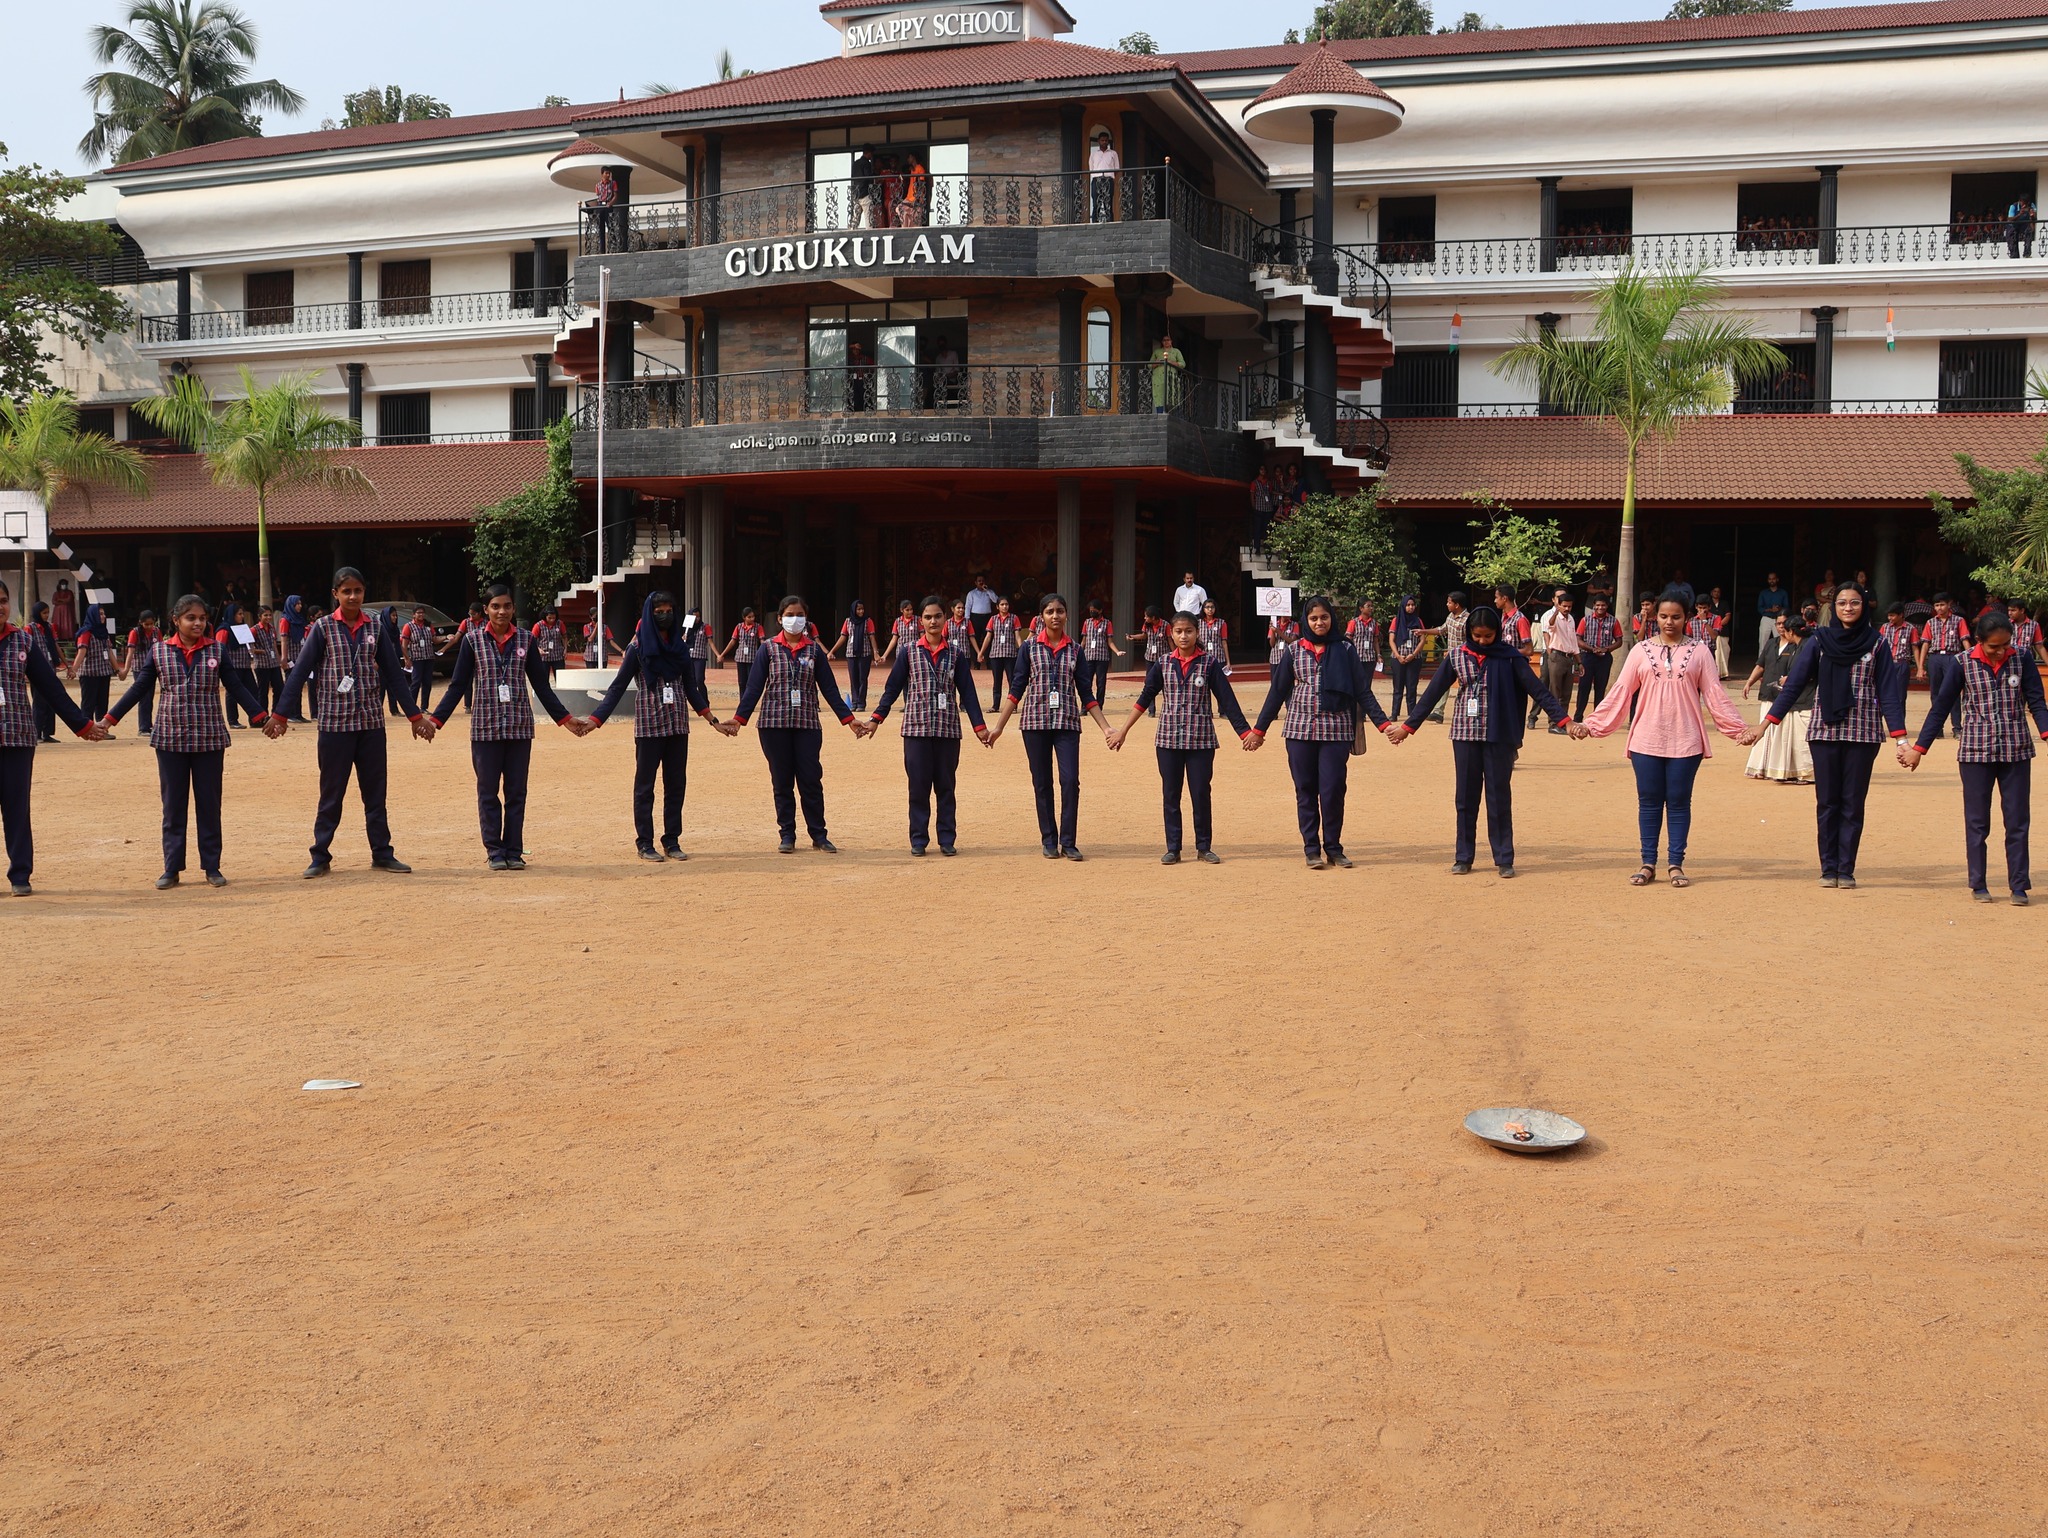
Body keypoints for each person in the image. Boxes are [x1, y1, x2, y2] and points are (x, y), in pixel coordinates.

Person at [1571, 586, 1759, 887]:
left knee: (1679, 801)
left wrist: (1739, 730)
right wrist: (1592, 725)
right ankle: (1647, 863)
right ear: (1654, 616)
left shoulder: (1699, 652)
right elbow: (1621, 691)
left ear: (1686, 618)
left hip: (1686, 739)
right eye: (1663, 616)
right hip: (1646, 738)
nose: (1669, 622)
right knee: (1648, 801)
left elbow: (1714, 694)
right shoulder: (1640, 651)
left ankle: (1675, 864)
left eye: (1676, 617)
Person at [103, 593, 280, 888]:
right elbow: (139, 690)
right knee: (173, 806)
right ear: (176, 621)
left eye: (201, 618)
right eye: (191, 618)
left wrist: (262, 717)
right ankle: (172, 868)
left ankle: (212, 866)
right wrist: (109, 720)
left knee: (209, 804)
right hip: (170, 738)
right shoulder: (159, 652)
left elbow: (235, 686)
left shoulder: (217, 651)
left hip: (209, 738)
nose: (197, 623)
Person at [1388, 604, 1569, 877]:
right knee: (1465, 798)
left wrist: (1565, 721)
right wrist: (1407, 727)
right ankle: (1464, 857)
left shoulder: (1509, 658)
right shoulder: (1457, 656)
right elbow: (1432, 693)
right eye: (1477, 635)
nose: (1483, 641)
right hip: (1464, 735)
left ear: (1497, 632)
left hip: (1499, 736)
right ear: (1470, 633)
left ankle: (1504, 859)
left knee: (1499, 798)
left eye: (1488, 635)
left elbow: (1539, 692)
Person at [280, 566, 428, 879]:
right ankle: (320, 856)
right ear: (335, 594)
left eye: (357, 591)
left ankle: (382, 854)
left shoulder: (374, 627)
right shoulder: (322, 628)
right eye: (345, 591)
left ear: (364, 593)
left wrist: (415, 716)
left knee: (375, 794)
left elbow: (393, 673)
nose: (352, 596)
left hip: (371, 724)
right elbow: (299, 672)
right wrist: (280, 714)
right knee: (331, 794)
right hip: (334, 726)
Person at [425, 584, 585, 871]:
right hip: (485, 729)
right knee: (488, 792)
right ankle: (495, 851)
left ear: (513, 608)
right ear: (485, 610)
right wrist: (436, 721)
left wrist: (566, 719)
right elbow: (458, 685)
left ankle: (514, 850)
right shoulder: (473, 642)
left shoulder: (525, 639)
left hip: (519, 728)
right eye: (495, 606)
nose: (502, 611)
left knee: (516, 793)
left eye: (507, 606)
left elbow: (541, 686)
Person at [1763, 582, 1908, 889]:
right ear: (1834, 607)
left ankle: (1847, 869)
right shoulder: (1820, 641)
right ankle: (1829, 868)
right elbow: (1795, 684)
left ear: (1863, 605)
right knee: (1828, 802)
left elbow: (1889, 692)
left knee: (1853, 803)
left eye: (1854, 603)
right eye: (1842, 603)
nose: (1848, 608)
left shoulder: (1877, 643)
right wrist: (1766, 723)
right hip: (1824, 730)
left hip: (1864, 732)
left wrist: (1901, 738)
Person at [1900, 610, 2048, 903]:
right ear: (1978, 641)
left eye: (2005, 645)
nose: (2001, 651)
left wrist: (2045, 732)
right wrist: (1919, 749)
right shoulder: (1961, 663)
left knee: (2018, 820)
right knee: (1978, 822)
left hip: (2016, 750)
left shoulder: (2022, 658)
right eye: (1994, 647)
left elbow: (2037, 701)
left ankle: (2018, 885)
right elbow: (1940, 708)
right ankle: (1978, 883)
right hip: (1975, 751)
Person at [1248, 595, 1389, 869]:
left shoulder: (1346, 650)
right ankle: (1311, 849)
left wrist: (1384, 724)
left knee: (1333, 789)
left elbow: (1362, 691)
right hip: (1299, 731)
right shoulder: (1294, 650)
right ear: (1306, 621)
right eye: (1313, 618)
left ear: (1331, 619)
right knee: (1305, 789)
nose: (1319, 622)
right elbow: (1277, 693)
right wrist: (1258, 730)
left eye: (1324, 617)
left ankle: (1334, 848)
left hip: (1336, 730)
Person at [590, 589, 731, 862]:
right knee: (645, 786)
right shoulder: (638, 649)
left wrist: (712, 720)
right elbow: (617, 687)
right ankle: (645, 843)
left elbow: (692, 688)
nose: (664, 616)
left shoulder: (681, 649)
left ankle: (672, 840)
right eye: (659, 612)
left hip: (678, 726)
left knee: (676, 785)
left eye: (669, 611)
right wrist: (595, 720)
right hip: (649, 727)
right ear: (649, 614)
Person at [1105, 609, 1255, 863]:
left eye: (1188, 631)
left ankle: (1203, 846)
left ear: (1197, 633)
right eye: (1178, 631)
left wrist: (1245, 732)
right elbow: (1145, 698)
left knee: (1200, 793)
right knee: (1171, 794)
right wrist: (1123, 731)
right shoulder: (1163, 663)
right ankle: (1173, 847)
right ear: (1171, 634)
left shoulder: (1209, 664)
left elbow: (1227, 701)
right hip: (1168, 740)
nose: (1183, 636)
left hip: (1201, 740)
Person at [730, 595, 870, 853]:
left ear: (806, 619)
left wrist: (848, 720)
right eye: (790, 615)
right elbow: (753, 687)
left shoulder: (814, 650)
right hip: (773, 725)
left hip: (807, 724)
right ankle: (787, 835)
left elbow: (829, 689)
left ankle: (819, 834)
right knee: (782, 781)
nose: (795, 620)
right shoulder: (768, 649)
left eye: (800, 615)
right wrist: (740, 719)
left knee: (810, 780)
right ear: (780, 618)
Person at [0, 580, 109, 893]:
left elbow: (50, 687)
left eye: (4, 600)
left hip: (18, 737)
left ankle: (20, 875)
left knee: (17, 808)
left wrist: (82, 725)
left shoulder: (24, 641)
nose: (0, 607)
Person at [985, 593, 1111, 860]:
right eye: (1050, 611)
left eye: (1060, 611)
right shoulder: (1029, 649)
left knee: (1069, 781)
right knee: (1042, 783)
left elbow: (1086, 694)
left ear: (1067, 615)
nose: (1055, 616)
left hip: (1067, 723)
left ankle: (1069, 841)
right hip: (1034, 723)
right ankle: (1049, 840)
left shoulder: (1076, 650)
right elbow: (1016, 690)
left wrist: (1106, 728)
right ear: (1040, 617)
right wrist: (998, 728)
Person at [866, 594, 992, 855]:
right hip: (916, 730)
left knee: (946, 787)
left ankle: (946, 839)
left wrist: (979, 727)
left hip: (947, 730)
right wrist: (877, 718)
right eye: (927, 617)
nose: (933, 621)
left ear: (945, 619)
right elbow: (892, 688)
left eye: (937, 616)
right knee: (918, 787)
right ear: (920, 621)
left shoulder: (955, 654)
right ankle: (918, 840)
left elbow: (967, 692)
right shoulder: (908, 652)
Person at [1742, 616, 1814, 784]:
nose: (1781, 629)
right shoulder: (1782, 645)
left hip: (1806, 699)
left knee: (1804, 740)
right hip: (1791, 698)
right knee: (1793, 740)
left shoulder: (1808, 646)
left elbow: (1810, 672)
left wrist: (1789, 679)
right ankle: (1796, 772)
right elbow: (1761, 665)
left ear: (1790, 631)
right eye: (1778, 624)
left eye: (1784, 626)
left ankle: (1809, 774)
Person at [1917, 592, 1969, 738]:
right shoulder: (1930, 622)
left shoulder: (1959, 621)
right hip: (1935, 658)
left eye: (1942, 604)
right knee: (1935, 694)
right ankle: (1937, 728)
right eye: (1936, 605)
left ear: (1949, 604)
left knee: (1954, 693)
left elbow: (1965, 641)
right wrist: (1921, 667)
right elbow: (1925, 644)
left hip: (1953, 657)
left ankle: (1957, 728)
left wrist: (1970, 658)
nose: (1939, 608)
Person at [1537, 588, 1579, 734]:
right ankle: (1553, 723)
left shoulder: (1571, 619)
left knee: (1566, 693)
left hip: (1569, 658)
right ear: (1558, 605)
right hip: (1556, 656)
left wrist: (1579, 661)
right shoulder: (1553, 617)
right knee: (1555, 691)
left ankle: (1563, 723)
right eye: (1564, 606)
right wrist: (1556, 612)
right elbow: (1550, 626)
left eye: (1569, 606)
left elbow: (1573, 640)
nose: (1567, 609)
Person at [67, 603, 116, 722]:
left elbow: (109, 652)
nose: (103, 616)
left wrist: (118, 670)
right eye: (100, 614)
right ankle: (87, 729)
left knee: (102, 703)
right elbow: (81, 652)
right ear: (93, 615)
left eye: (104, 614)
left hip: (104, 673)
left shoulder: (104, 632)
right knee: (88, 703)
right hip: (89, 674)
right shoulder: (86, 632)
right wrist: (74, 670)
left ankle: (101, 728)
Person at [1574, 595, 1620, 721]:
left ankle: (1597, 718)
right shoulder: (1586, 620)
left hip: (1604, 658)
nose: (1600, 607)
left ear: (1607, 606)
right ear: (1594, 605)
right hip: (1587, 657)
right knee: (1584, 687)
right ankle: (1578, 717)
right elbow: (1578, 639)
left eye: (1603, 605)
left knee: (1600, 688)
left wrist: (1607, 649)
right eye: (1598, 605)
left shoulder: (1613, 621)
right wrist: (1592, 649)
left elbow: (1619, 640)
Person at [827, 599, 878, 712]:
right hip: (851, 654)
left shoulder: (868, 621)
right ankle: (854, 702)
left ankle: (861, 703)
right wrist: (832, 651)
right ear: (854, 610)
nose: (861, 611)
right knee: (853, 678)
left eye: (862, 609)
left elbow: (872, 637)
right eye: (858, 609)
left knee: (862, 678)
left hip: (864, 653)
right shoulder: (848, 621)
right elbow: (843, 637)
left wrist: (876, 653)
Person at [1386, 596, 1426, 720]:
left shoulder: (1418, 621)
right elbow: (1391, 640)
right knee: (1398, 687)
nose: (1411, 607)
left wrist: (1413, 654)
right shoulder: (1396, 621)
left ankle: (1412, 714)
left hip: (1414, 658)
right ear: (1403, 606)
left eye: (1413, 605)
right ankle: (1394, 714)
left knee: (1411, 686)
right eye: (1408, 605)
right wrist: (1398, 656)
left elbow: (1423, 639)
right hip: (1398, 658)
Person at [122, 610, 160, 737]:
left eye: (151, 624)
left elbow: (160, 649)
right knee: (143, 697)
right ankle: (143, 727)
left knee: (150, 697)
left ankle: (148, 725)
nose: (149, 627)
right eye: (146, 624)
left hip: (153, 667)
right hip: (140, 668)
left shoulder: (156, 632)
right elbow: (130, 652)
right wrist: (126, 669)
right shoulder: (135, 633)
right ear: (141, 623)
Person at [979, 596, 1022, 709]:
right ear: (997, 607)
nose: (1005, 607)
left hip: (1010, 653)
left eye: (1006, 604)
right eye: (1002, 605)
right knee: (996, 680)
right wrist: (981, 652)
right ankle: (995, 705)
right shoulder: (993, 619)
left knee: (1011, 680)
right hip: (996, 654)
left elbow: (1017, 636)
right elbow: (988, 637)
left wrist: (1022, 649)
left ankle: (1013, 706)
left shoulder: (1014, 618)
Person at [1434, 591, 1468, 723]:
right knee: (1443, 682)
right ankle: (1438, 712)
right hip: (1450, 657)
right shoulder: (1450, 617)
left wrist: (1457, 651)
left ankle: (1464, 713)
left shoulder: (1468, 620)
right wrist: (1423, 631)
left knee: (1463, 685)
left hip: (1463, 658)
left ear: (1457, 605)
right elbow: (1441, 630)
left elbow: (1470, 641)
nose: (1447, 604)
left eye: (1449, 602)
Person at [1080, 600, 1121, 707]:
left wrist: (1117, 652)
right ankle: (1085, 706)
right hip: (1088, 657)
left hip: (1102, 658)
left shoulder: (1107, 623)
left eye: (1094, 610)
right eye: (1090, 611)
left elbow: (1110, 641)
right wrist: (1078, 652)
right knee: (1086, 682)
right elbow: (1084, 641)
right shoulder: (1087, 622)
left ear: (1100, 610)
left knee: (1101, 683)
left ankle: (1099, 706)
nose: (1092, 612)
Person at [401, 606, 438, 719]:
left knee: (427, 683)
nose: (421, 615)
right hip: (417, 659)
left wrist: (447, 638)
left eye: (422, 613)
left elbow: (435, 640)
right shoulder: (409, 626)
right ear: (414, 615)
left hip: (429, 658)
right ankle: (412, 707)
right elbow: (404, 645)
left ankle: (424, 707)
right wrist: (407, 658)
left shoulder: (428, 626)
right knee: (416, 682)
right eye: (418, 613)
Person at [721, 606, 765, 697]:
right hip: (741, 658)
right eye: (749, 617)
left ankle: (749, 700)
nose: (752, 618)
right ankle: (742, 700)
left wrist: (765, 652)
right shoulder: (739, 627)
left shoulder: (758, 627)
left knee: (750, 681)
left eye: (753, 616)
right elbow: (733, 641)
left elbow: (762, 641)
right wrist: (722, 654)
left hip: (752, 658)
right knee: (741, 682)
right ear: (744, 617)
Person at [249, 604, 284, 714]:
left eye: (270, 615)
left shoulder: (272, 628)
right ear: (259, 616)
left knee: (279, 688)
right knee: (263, 691)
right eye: (265, 615)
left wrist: (279, 660)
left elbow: (274, 645)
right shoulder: (254, 630)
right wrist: (261, 651)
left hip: (273, 664)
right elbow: (250, 648)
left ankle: (275, 713)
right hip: (262, 664)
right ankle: (263, 715)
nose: (268, 617)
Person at [279, 596, 310, 720]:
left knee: (299, 686)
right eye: (297, 604)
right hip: (291, 657)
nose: (300, 606)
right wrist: (284, 657)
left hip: (300, 657)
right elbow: (284, 639)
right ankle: (290, 713)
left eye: (300, 603)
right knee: (291, 686)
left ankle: (298, 713)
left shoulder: (300, 620)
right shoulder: (285, 620)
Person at [1149, 333, 1186, 414]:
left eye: (1168, 340)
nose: (1166, 342)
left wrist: (1171, 362)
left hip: (1171, 378)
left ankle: (1172, 414)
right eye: (1164, 340)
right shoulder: (1157, 352)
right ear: (1162, 342)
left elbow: (1182, 364)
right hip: (1158, 379)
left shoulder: (1176, 351)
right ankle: (1159, 414)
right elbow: (1149, 365)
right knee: (1159, 397)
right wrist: (1157, 363)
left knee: (1171, 396)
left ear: (1171, 341)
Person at [1088, 128, 1119, 223]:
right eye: (1102, 140)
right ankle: (1095, 222)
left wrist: (1108, 176)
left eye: (1106, 140)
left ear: (1108, 141)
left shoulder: (1113, 153)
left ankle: (1110, 222)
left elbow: (1116, 168)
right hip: (1096, 180)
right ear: (1098, 141)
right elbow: (1091, 168)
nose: (1104, 142)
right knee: (1096, 203)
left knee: (1108, 202)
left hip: (1108, 180)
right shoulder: (1093, 154)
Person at [1756, 572, 1790, 655]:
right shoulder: (1763, 593)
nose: (1772, 581)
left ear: (1777, 579)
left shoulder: (1783, 593)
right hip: (1766, 619)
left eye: (1773, 579)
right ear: (1768, 580)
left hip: (1778, 620)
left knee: (1781, 641)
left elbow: (1787, 607)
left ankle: (1779, 663)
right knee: (1763, 642)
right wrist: (1771, 610)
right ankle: (1761, 665)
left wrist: (1778, 609)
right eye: (1770, 579)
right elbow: (1759, 608)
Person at [1196, 598, 1229, 674]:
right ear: (1203, 609)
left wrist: (1228, 662)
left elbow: (1224, 642)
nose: (1210, 609)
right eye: (1207, 607)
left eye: (1212, 607)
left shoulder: (1222, 623)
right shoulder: (1198, 623)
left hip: (1218, 657)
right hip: (1202, 657)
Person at [880, 599, 917, 664]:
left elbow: (922, 637)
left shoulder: (918, 620)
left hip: (914, 651)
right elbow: (894, 640)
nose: (910, 612)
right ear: (901, 610)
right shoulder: (897, 621)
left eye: (911, 609)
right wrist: (885, 655)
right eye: (907, 610)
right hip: (901, 652)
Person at [964, 576, 997, 640]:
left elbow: (996, 600)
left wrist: (987, 590)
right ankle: (976, 650)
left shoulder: (989, 592)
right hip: (975, 618)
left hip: (987, 618)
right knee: (976, 636)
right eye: (979, 581)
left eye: (983, 581)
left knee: (988, 636)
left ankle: (987, 650)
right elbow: (968, 607)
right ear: (976, 583)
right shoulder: (971, 593)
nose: (981, 582)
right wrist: (966, 620)